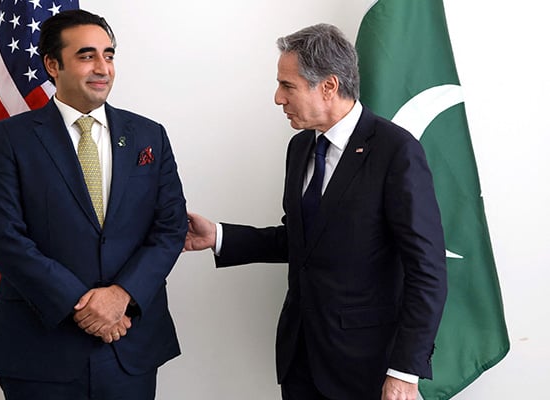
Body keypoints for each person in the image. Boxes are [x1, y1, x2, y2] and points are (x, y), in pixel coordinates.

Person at [184, 23, 447, 400]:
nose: (278, 98)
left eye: (287, 85)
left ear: (328, 86)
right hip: (300, 358)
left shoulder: (395, 151)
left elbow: (428, 270)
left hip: (368, 367)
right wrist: (220, 236)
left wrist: (405, 371)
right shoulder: (300, 148)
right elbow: (303, 241)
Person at [0, 9, 187, 400]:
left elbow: (170, 229)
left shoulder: (149, 136)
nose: (102, 68)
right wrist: (83, 305)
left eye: (109, 55)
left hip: (129, 343)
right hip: (42, 346)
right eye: (87, 56)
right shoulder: (11, 139)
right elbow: (3, 237)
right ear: (52, 65)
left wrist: (121, 296)